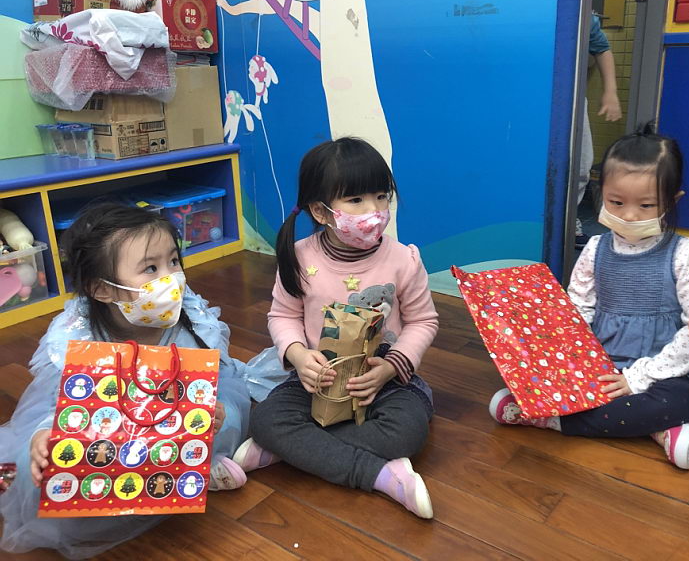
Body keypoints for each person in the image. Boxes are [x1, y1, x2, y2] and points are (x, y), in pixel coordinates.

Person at [0, 204, 257, 559]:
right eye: (150, 268)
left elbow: (201, 384)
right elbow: (61, 402)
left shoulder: (189, 323)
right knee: (46, 470)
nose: (171, 279)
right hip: (109, 422)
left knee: (226, 415)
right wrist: (45, 434)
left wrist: (207, 412)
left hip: (167, 416)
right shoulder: (78, 339)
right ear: (102, 290)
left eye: (173, 261)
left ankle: (203, 464)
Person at [490, 124, 689, 469]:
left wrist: (639, 378)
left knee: (681, 400)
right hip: (602, 365)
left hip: (665, 370)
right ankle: (657, 429)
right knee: (528, 373)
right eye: (616, 202)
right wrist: (556, 358)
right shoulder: (595, 248)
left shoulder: (684, 254)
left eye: (646, 205)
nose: (629, 215)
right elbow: (577, 310)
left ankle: (547, 418)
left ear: (673, 201)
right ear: (600, 192)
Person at [235, 137, 439, 519]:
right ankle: (381, 475)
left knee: (407, 431)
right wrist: (298, 356)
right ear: (321, 210)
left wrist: (391, 367)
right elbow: (282, 316)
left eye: (381, 196)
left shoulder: (404, 259)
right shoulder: (298, 257)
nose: (374, 210)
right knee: (265, 419)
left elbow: (423, 320)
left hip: (386, 380)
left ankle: (291, 449)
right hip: (318, 381)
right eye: (357, 200)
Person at [576, 12, 622, 247]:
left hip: (570, 98)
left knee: (581, 164)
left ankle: (567, 219)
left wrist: (610, 92)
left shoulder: (581, 13)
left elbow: (602, 49)